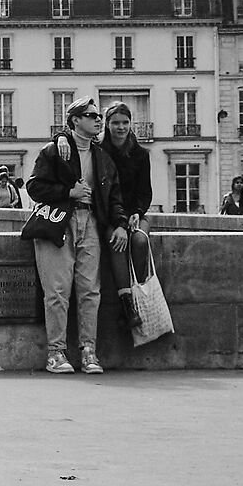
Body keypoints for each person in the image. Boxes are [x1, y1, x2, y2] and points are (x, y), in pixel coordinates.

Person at [26, 99, 118, 375]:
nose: (98, 120)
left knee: (90, 291)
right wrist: (68, 193)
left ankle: (89, 351)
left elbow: (113, 194)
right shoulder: (55, 150)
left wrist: (121, 222)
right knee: (57, 291)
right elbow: (34, 187)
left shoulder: (102, 156)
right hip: (60, 223)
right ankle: (56, 353)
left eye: (99, 116)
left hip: (90, 221)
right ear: (75, 120)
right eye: (91, 115)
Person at [98, 101, 154, 323]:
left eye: (125, 122)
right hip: (110, 214)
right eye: (115, 123)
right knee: (116, 242)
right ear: (107, 124)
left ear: (131, 124)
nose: (121, 127)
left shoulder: (140, 154)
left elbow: (145, 192)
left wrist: (137, 213)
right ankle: (127, 304)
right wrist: (119, 222)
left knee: (140, 240)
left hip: (134, 212)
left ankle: (138, 292)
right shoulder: (99, 151)